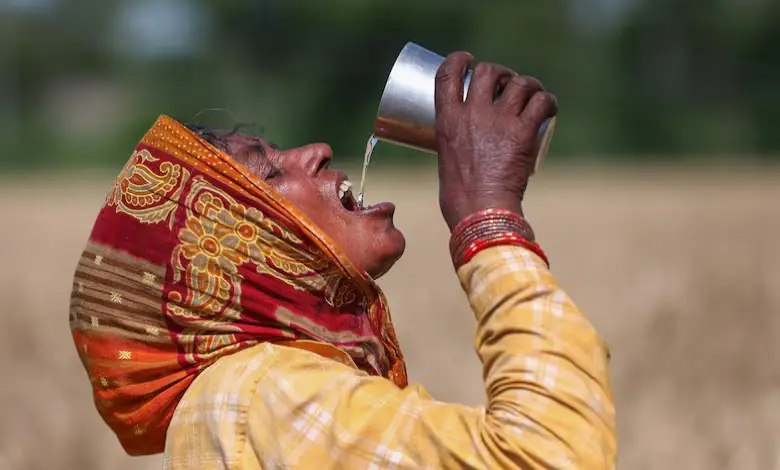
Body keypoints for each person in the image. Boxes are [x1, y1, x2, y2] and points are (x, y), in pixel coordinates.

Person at [70, 52, 616, 469]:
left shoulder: (238, 397)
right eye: (271, 172)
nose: (318, 151)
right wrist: (488, 215)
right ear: (238, 249)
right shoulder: (265, 395)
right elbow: (553, 453)